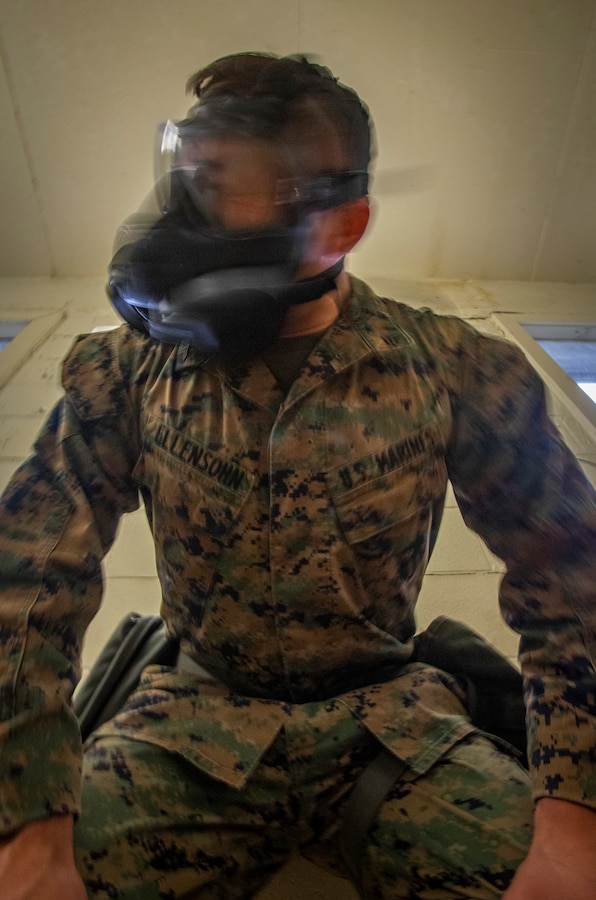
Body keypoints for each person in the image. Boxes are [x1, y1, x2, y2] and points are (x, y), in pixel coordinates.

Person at [0, 51, 595, 900]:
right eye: (192, 174)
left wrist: (575, 827)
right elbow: (26, 576)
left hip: (397, 734)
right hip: (183, 732)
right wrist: (28, 827)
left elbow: (574, 577)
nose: (188, 212)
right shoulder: (125, 372)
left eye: (230, 185)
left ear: (341, 226)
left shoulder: (459, 368)